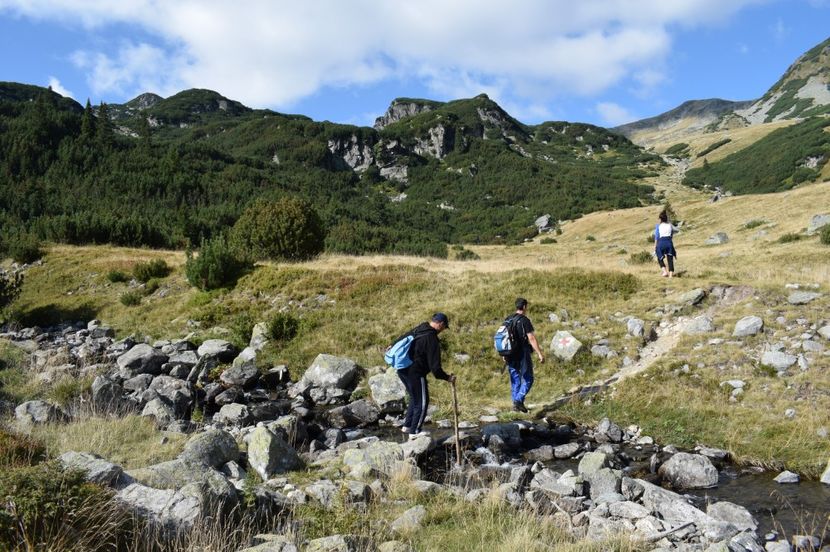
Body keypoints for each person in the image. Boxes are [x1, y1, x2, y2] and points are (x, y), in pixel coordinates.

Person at [392, 312, 455, 439]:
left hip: (402, 369)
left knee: (414, 398)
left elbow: (402, 338)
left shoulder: (420, 328)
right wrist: (447, 377)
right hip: (415, 372)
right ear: (440, 324)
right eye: (444, 328)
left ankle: (408, 426)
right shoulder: (431, 339)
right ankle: (415, 432)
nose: (442, 330)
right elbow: (436, 369)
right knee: (422, 402)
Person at [504, 298, 544, 413]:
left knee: (515, 378)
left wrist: (504, 353)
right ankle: (518, 401)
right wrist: (539, 353)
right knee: (528, 378)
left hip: (509, 354)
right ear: (525, 307)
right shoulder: (524, 320)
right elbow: (531, 338)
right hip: (522, 353)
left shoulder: (508, 319)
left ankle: (516, 405)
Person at [654, 211, 679, 278]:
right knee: (670, 259)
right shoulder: (670, 225)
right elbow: (672, 234)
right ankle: (670, 275)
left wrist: (655, 247)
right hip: (668, 242)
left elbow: (656, 237)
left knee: (659, 257)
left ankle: (664, 271)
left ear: (660, 219)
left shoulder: (658, 226)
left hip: (661, 242)